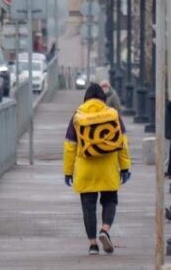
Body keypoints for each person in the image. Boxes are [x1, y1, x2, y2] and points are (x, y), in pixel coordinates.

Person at [63, 83, 131, 255]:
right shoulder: (112, 114)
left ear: (85, 99)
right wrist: (124, 167)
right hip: (108, 168)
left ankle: (93, 244)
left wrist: (68, 171)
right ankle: (105, 230)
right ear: (103, 99)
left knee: (88, 206)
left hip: (86, 169)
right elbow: (123, 144)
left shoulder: (77, 117)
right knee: (110, 200)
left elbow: (70, 146)